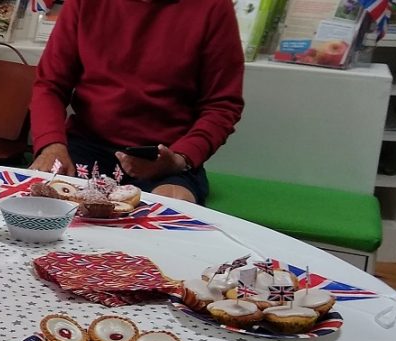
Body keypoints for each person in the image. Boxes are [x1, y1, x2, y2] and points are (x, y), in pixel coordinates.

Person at [29, 0, 245, 204]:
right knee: (43, 201)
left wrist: (180, 158)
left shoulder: (213, 7)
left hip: (165, 157)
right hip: (86, 146)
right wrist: (51, 145)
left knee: (168, 212)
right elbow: (50, 84)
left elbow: (222, 105)